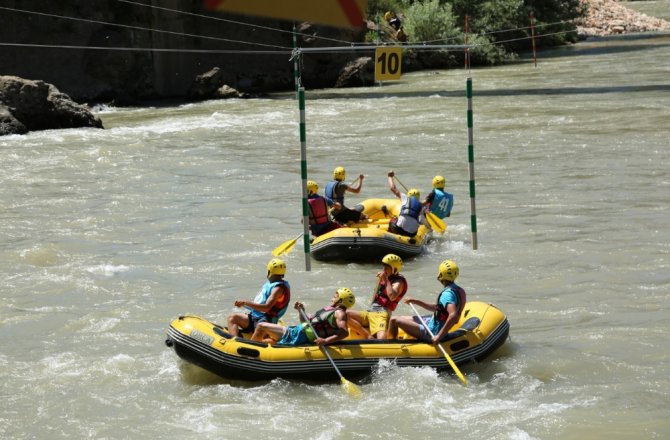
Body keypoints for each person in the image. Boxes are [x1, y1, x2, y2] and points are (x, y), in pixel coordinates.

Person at [387, 260, 466, 344]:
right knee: (401, 317)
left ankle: (389, 347)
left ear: (441, 274)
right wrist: (416, 301)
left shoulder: (447, 295)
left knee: (393, 320)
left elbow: (453, 315)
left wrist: (438, 337)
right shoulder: (460, 291)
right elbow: (439, 308)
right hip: (432, 323)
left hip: (431, 332)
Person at [250, 287, 356, 346]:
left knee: (261, 326)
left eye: (336, 296)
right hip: (298, 331)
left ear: (341, 301)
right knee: (270, 339)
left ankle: (249, 350)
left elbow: (344, 332)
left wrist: (325, 341)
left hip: (299, 335)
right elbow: (305, 322)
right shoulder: (331, 311)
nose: (333, 297)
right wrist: (301, 311)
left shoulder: (339, 313)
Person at [347, 254, 408, 339]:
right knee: (345, 315)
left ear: (394, 269)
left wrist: (385, 279)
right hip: (370, 312)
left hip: (381, 313)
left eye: (387, 267)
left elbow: (392, 296)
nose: (384, 269)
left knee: (381, 337)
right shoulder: (385, 278)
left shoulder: (398, 282)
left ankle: (378, 337)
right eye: (383, 267)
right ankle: (367, 335)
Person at [227, 258, 291, 337]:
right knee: (232, 317)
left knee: (259, 334)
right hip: (255, 317)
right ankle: (235, 342)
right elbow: (259, 304)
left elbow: (266, 308)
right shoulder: (270, 283)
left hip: (266, 321)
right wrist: (244, 304)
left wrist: (246, 302)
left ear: (269, 271)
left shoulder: (278, 288)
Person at [386, 170, 422, 237]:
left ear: (408, 195)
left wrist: (390, 177)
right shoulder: (421, 205)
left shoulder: (405, 198)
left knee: (393, 219)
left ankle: (390, 235)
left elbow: (392, 188)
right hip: (412, 234)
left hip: (399, 230)